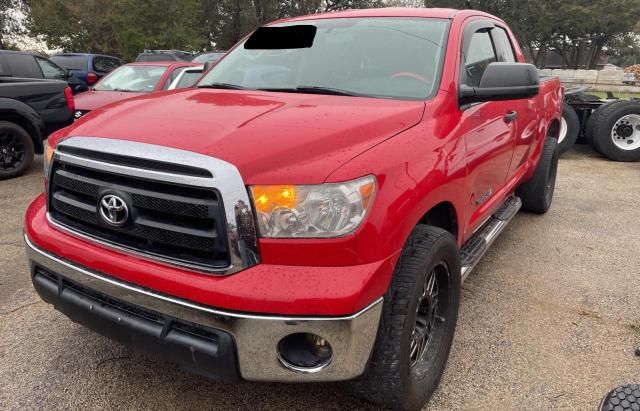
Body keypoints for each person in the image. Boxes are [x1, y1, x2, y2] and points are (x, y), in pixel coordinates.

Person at [234, 200, 258, 265]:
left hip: (248, 235)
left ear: (243, 204)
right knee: (248, 250)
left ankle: (255, 262)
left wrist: (249, 233)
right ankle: (253, 263)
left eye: (240, 204)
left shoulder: (245, 211)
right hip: (245, 235)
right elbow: (241, 223)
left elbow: (247, 222)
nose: (239, 205)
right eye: (238, 204)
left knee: (251, 249)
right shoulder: (241, 212)